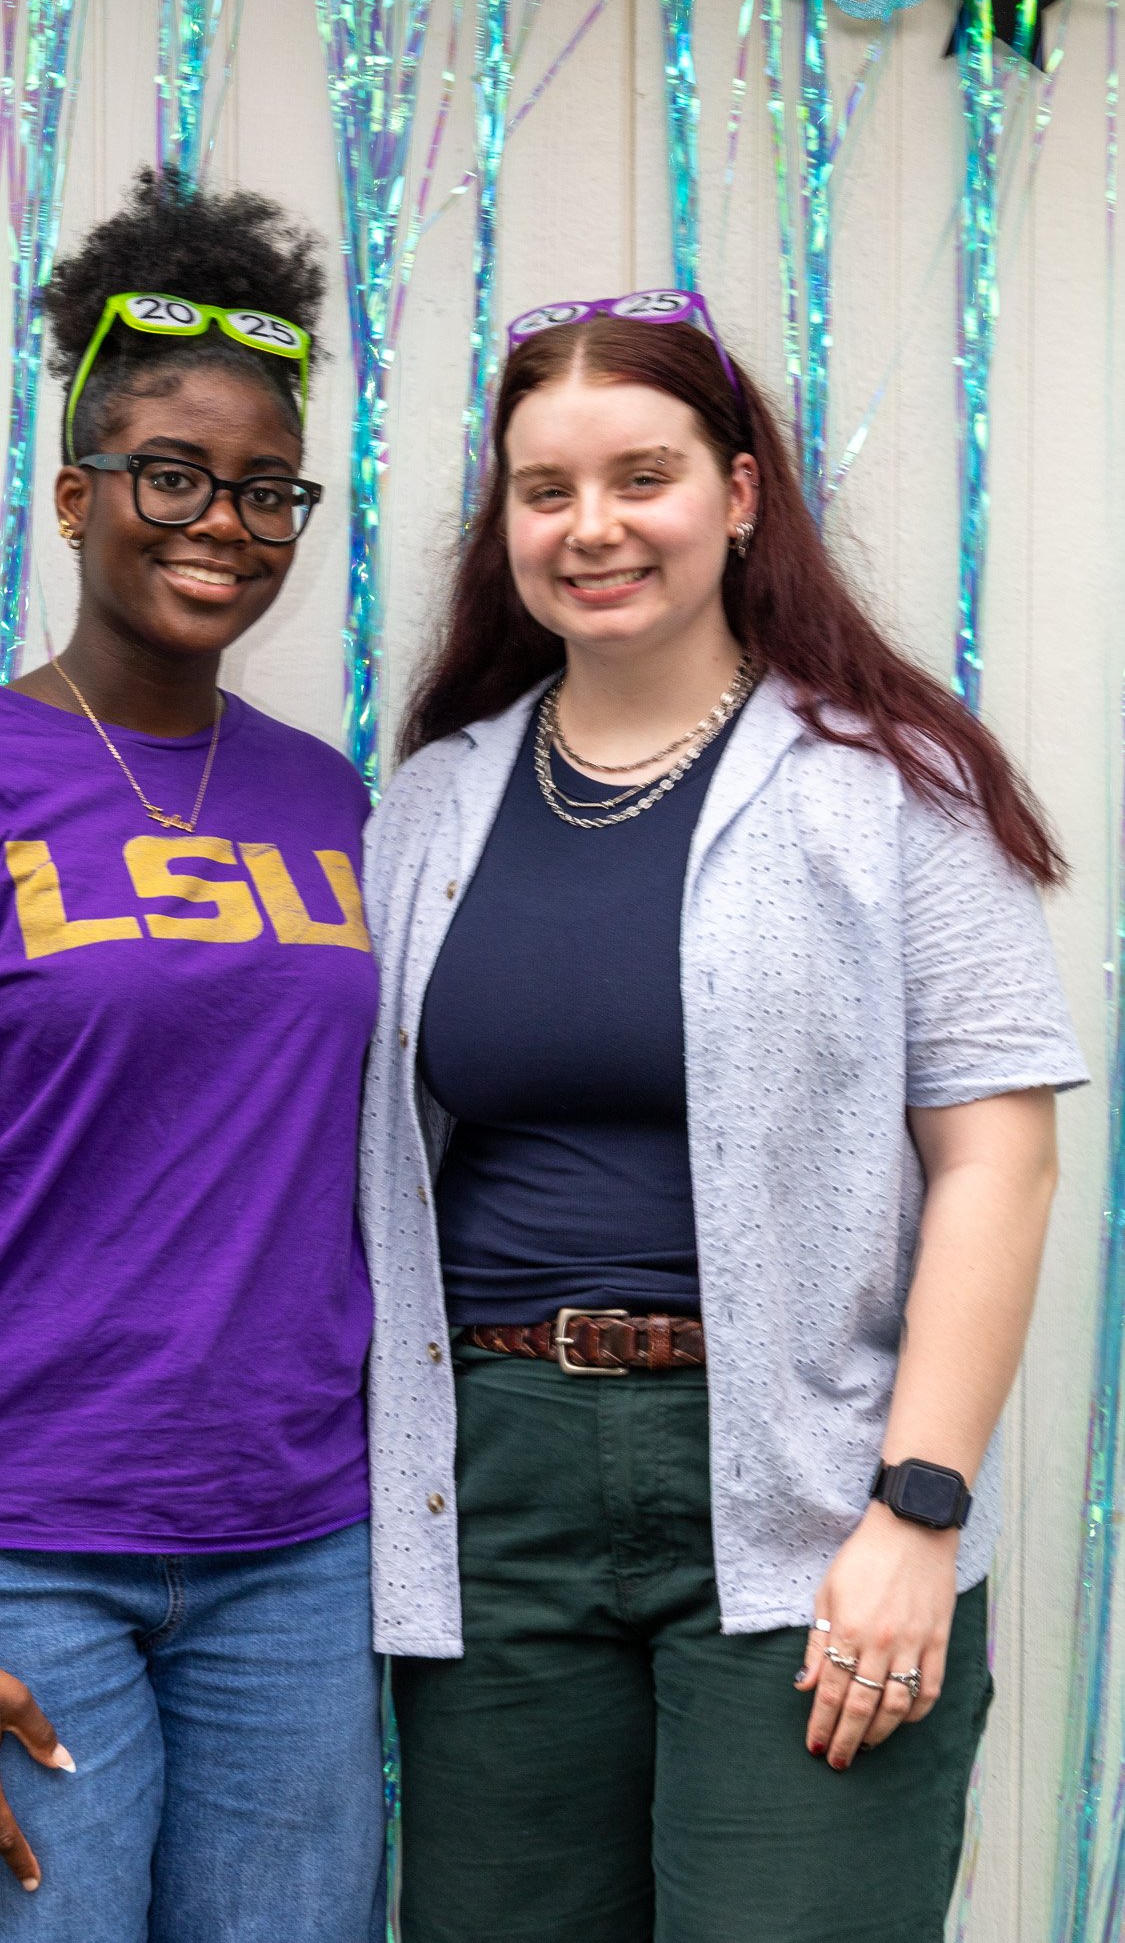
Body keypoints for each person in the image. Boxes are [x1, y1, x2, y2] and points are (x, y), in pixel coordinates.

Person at [356, 290, 1086, 1943]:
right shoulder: (431, 804)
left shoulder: (889, 783)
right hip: (493, 1497)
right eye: (545, 491)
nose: (591, 528)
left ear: (739, 493)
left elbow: (996, 1159)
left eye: (642, 476)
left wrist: (916, 1509)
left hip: (807, 1491)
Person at [0, 169, 386, 1943]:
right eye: (173, 475)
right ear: (75, 496)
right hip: (20, 1564)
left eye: (267, 489)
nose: (224, 524)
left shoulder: (329, 802)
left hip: (297, 1558)